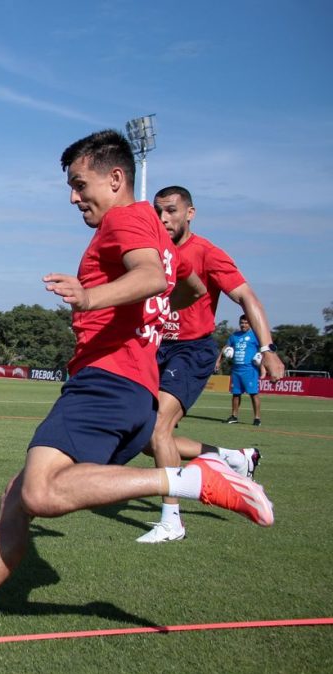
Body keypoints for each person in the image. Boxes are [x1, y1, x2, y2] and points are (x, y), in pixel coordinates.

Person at [0, 130, 273, 648]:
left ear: (116, 177)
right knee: (16, 496)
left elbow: (148, 277)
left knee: (39, 490)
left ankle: (193, 480)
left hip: (107, 383)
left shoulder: (126, 218)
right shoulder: (159, 236)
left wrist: (91, 297)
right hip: (132, 390)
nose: (74, 197)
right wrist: (156, 317)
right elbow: (180, 285)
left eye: (80, 184)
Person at [136, 187, 286, 543]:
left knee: (158, 429)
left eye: (171, 210)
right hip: (156, 349)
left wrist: (267, 348)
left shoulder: (206, 252)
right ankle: (232, 458)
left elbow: (247, 296)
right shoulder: (152, 253)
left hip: (191, 350)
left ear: (190, 213)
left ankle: (172, 521)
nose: (164, 218)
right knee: (143, 437)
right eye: (158, 211)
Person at [217, 314, 266, 425]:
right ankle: (234, 416)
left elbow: (263, 351)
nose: (243, 325)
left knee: (253, 393)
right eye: (242, 323)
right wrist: (218, 360)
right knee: (236, 394)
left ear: (250, 324)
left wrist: (262, 367)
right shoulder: (234, 336)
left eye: (246, 323)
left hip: (250, 369)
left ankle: (257, 418)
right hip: (236, 369)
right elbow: (225, 347)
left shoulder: (255, 336)